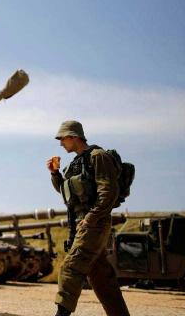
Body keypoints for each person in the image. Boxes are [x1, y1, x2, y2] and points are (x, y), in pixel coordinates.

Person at [47, 120, 130, 316]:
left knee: (71, 266)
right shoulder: (76, 163)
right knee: (101, 277)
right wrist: (55, 174)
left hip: (94, 223)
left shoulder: (98, 156)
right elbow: (67, 193)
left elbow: (108, 191)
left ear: (74, 137)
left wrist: (90, 219)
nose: (61, 143)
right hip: (82, 223)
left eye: (62, 139)